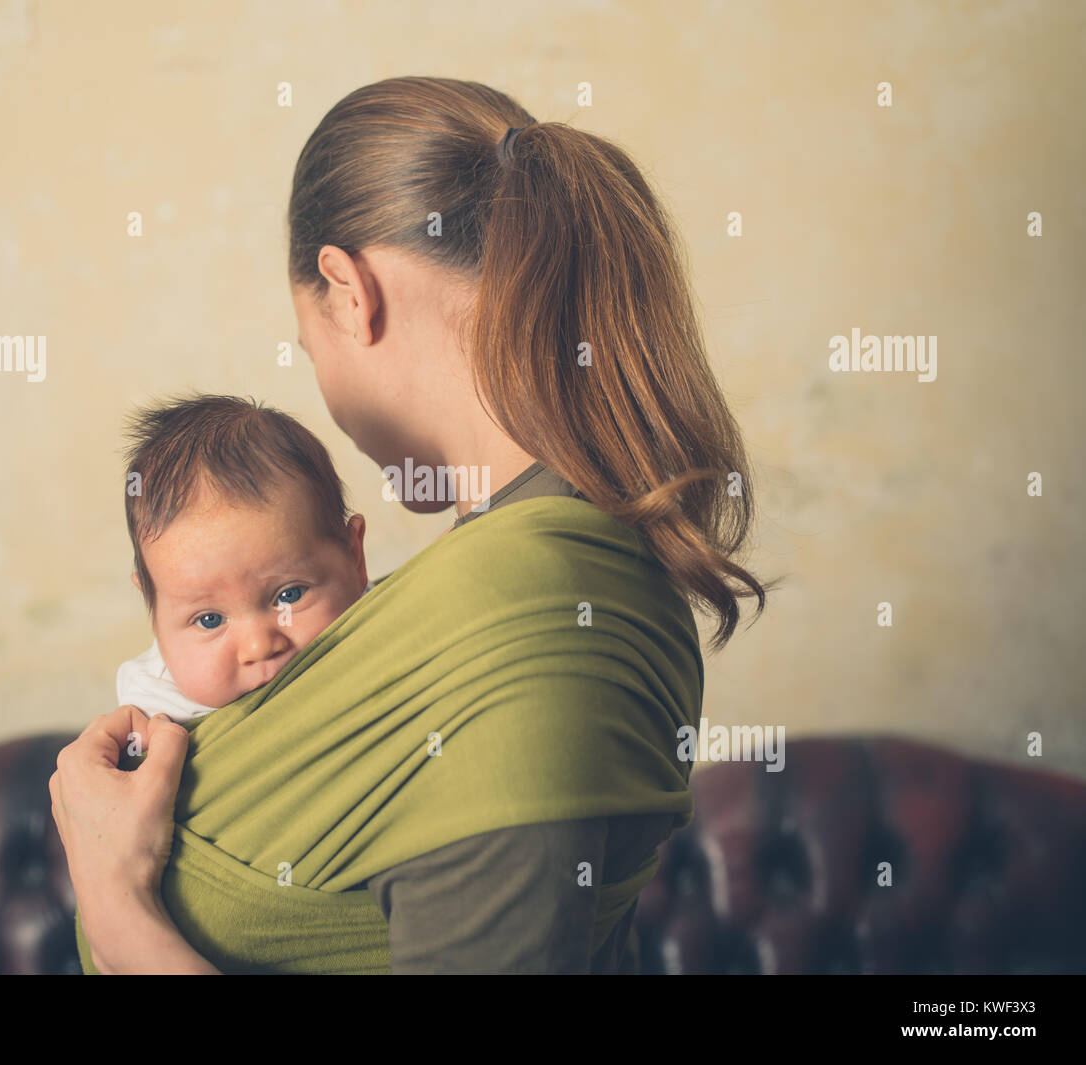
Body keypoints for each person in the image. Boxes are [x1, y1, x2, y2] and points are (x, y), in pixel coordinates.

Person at [50, 76, 773, 974]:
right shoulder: (530, 574)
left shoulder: (526, 609)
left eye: (308, 344)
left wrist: (113, 895)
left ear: (348, 292)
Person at [112, 393, 377, 723]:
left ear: (354, 557)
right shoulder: (155, 709)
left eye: (289, 595)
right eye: (209, 619)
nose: (258, 647)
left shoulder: (392, 623)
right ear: (155, 616)